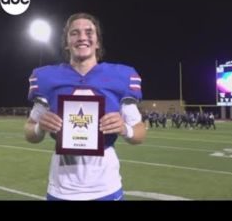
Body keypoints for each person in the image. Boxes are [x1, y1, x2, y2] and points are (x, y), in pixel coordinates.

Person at [24, 12, 146, 201]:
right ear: (67, 42)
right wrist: (40, 127)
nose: (82, 37)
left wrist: (125, 129)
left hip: (106, 186)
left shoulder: (121, 76)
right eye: (74, 33)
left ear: (97, 42)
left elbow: (140, 133)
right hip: (61, 188)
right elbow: (29, 131)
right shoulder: (48, 79)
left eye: (89, 32)